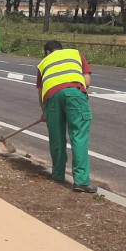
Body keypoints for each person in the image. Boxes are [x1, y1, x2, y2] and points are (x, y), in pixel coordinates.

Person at [36, 40, 96, 193]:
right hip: (74, 93)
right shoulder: (75, 54)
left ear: (48, 52)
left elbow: (41, 91)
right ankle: (81, 181)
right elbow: (87, 80)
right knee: (78, 136)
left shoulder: (43, 63)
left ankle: (57, 174)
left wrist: (45, 112)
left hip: (51, 98)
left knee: (57, 137)